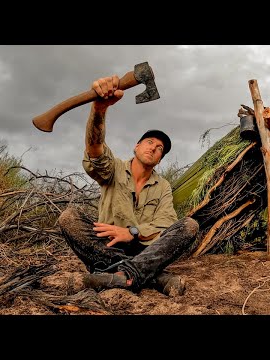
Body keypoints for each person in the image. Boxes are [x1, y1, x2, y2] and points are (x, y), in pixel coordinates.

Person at [57, 74, 199, 296]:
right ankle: (152, 277)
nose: (153, 148)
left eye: (160, 148)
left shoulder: (163, 186)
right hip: (108, 246)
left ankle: (118, 276)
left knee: (189, 225)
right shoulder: (113, 169)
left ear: (160, 159)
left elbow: (166, 222)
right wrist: (99, 109)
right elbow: (95, 149)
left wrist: (132, 232)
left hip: (145, 248)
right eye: (149, 142)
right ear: (136, 146)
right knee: (69, 218)